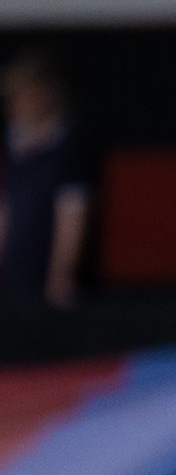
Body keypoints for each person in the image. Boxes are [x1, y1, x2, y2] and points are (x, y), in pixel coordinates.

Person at [0, 47, 93, 306]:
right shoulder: (14, 153)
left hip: (50, 286)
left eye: (25, 97)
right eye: (13, 99)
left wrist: (61, 275)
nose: (17, 107)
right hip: (15, 283)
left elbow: (72, 215)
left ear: (46, 96)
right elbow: (5, 212)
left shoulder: (68, 152)